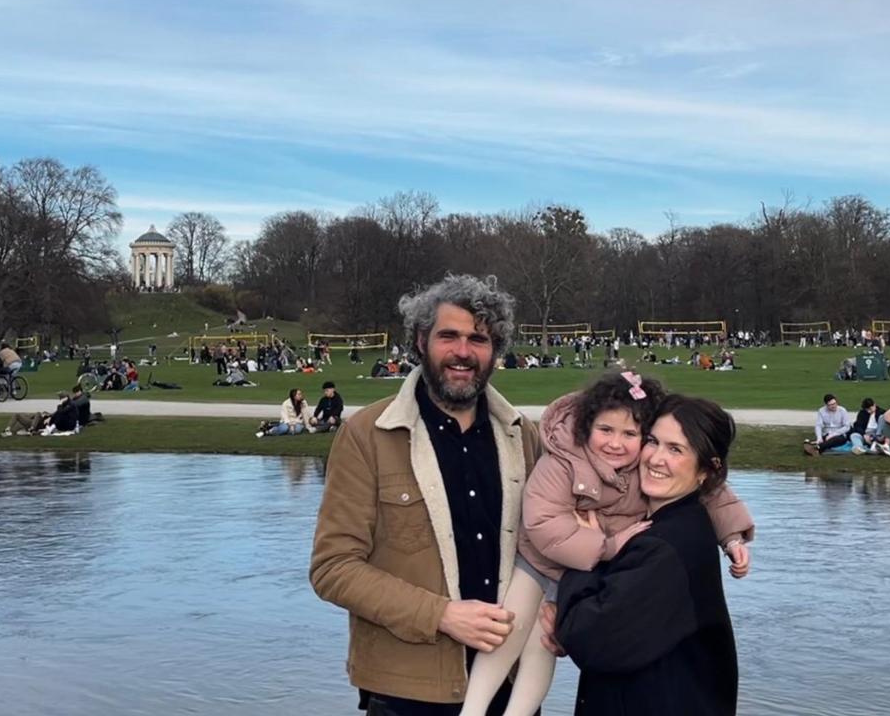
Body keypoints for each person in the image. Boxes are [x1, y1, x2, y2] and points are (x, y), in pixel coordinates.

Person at [310, 274, 542, 714]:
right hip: (407, 692)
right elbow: (333, 568)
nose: (463, 351)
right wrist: (442, 615)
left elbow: (548, 550)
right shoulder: (367, 435)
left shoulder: (521, 436)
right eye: (448, 336)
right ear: (420, 340)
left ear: (496, 350)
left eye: (479, 338)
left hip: (510, 685)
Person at [460, 372, 754, 716]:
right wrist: (602, 550)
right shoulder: (566, 461)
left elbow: (715, 494)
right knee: (507, 630)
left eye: (632, 434)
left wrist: (733, 537)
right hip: (540, 560)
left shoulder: (665, 536)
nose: (619, 444)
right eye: (654, 442)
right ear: (587, 427)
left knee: (541, 648)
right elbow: (541, 520)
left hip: (585, 575)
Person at [551, 395, 740, 715]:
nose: (656, 458)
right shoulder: (669, 524)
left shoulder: (666, 546)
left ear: (707, 470)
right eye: (653, 441)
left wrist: (584, 552)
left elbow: (592, 639)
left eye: (676, 449)